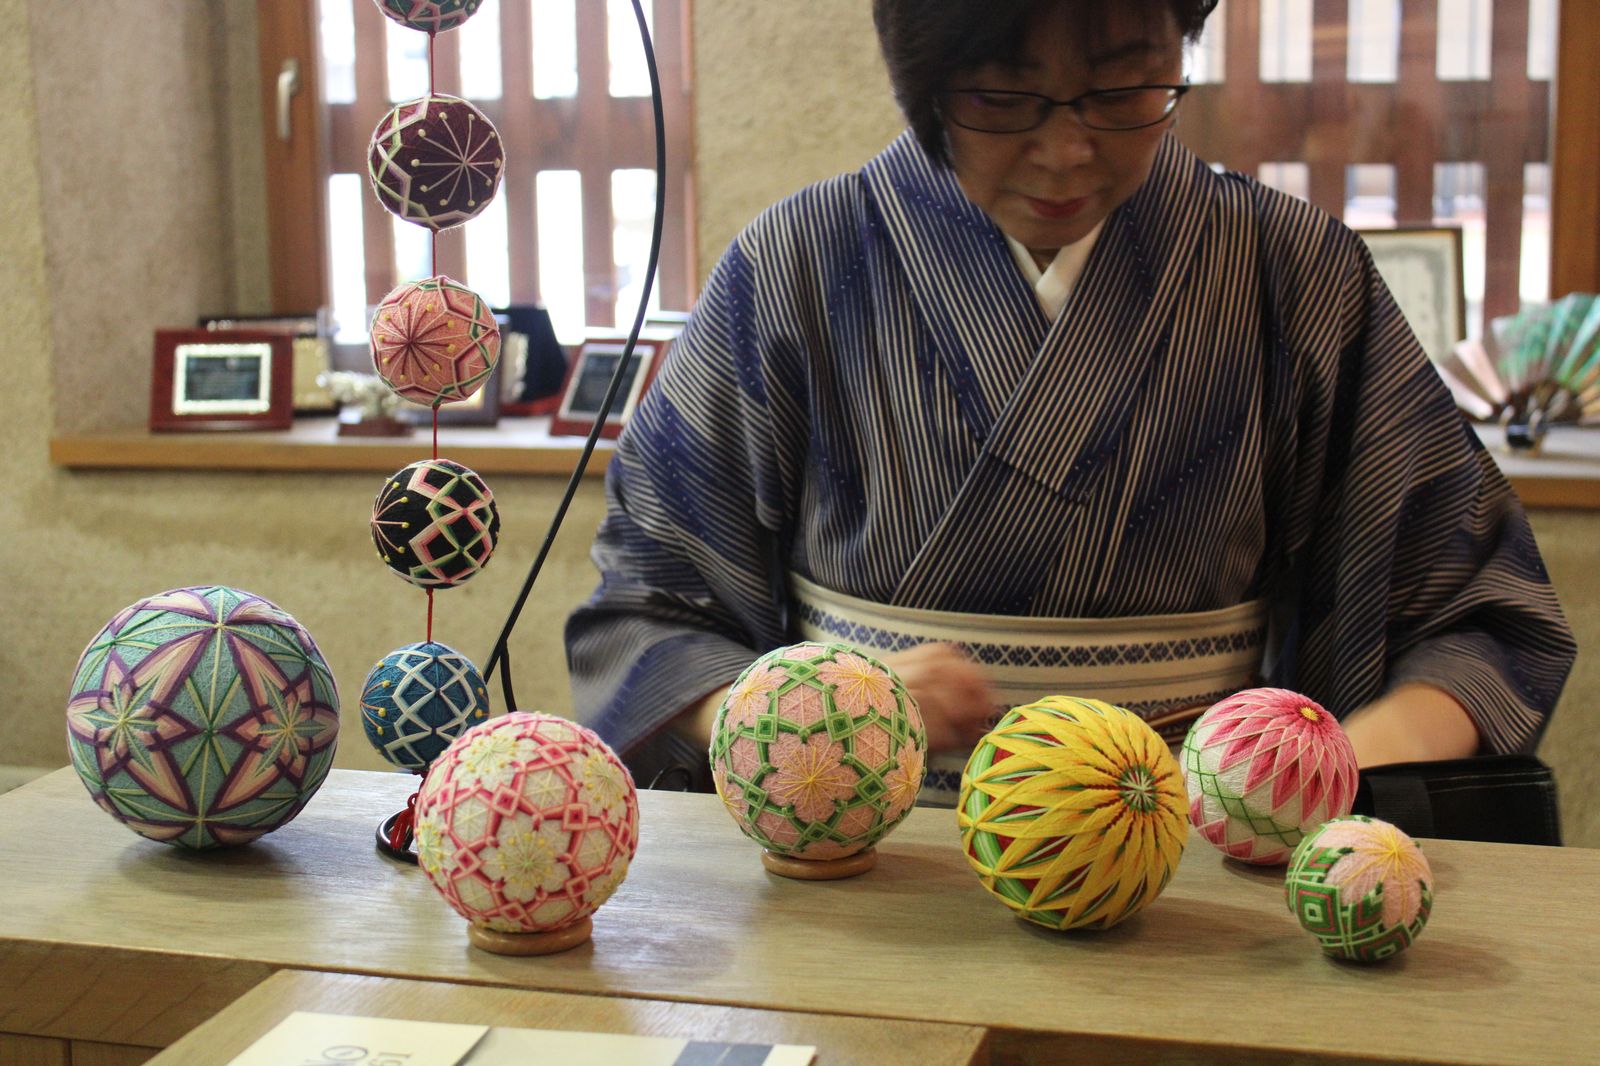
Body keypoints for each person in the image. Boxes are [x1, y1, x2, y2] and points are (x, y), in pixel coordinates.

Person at [566, 0, 1575, 804]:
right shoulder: (795, 263)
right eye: (1002, 100)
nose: (1066, 153)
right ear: (923, 85)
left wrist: (1324, 772)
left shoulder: (1292, 270)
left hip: (1196, 861)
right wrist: (799, 713)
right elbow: (650, 611)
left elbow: (1472, 614)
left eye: (1123, 90)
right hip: (867, 860)